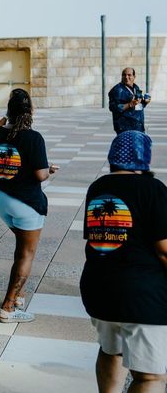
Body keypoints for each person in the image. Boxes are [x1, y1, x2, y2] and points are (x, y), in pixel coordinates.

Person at [80, 131, 167, 393]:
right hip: (141, 297)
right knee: (149, 377)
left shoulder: (98, 187)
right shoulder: (154, 189)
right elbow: (164, 250)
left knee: (111, 351)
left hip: (98, 288)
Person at [0, 89, 59, 323]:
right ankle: (8, 308)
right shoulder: (34, 138)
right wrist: (49, 169)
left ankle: (19, 295)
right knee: (26, 254)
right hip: (26, 203)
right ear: (31, 112)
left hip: (0, 199)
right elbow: (41, 175)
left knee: (21, 245)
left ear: (9, 111)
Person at [108, 67, 150, 134]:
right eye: (124, 75)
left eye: (129, 75)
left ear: (134, 76)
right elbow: (113, 107)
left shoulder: (136, 88)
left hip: (139, 127)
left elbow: (138, 105)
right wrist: (129, 104)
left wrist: (145, 102)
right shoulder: (116, 90)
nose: (126, 77)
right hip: (125, 129)